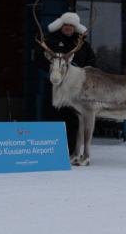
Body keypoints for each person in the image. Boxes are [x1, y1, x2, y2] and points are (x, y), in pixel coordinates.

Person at [35, 11, 96, 159]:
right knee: (52, 116)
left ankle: (70, 151)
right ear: (61, 26)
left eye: (71, 25)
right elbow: (38, 58)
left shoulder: (82, 44)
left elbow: (92, 62)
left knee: (73, 119)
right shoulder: (50, 41)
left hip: (76, 90)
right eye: (66, 25)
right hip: (54, 87)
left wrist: (81, 74)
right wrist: (51, 72)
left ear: (75, 27)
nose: (68, 27)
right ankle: (49, 149)